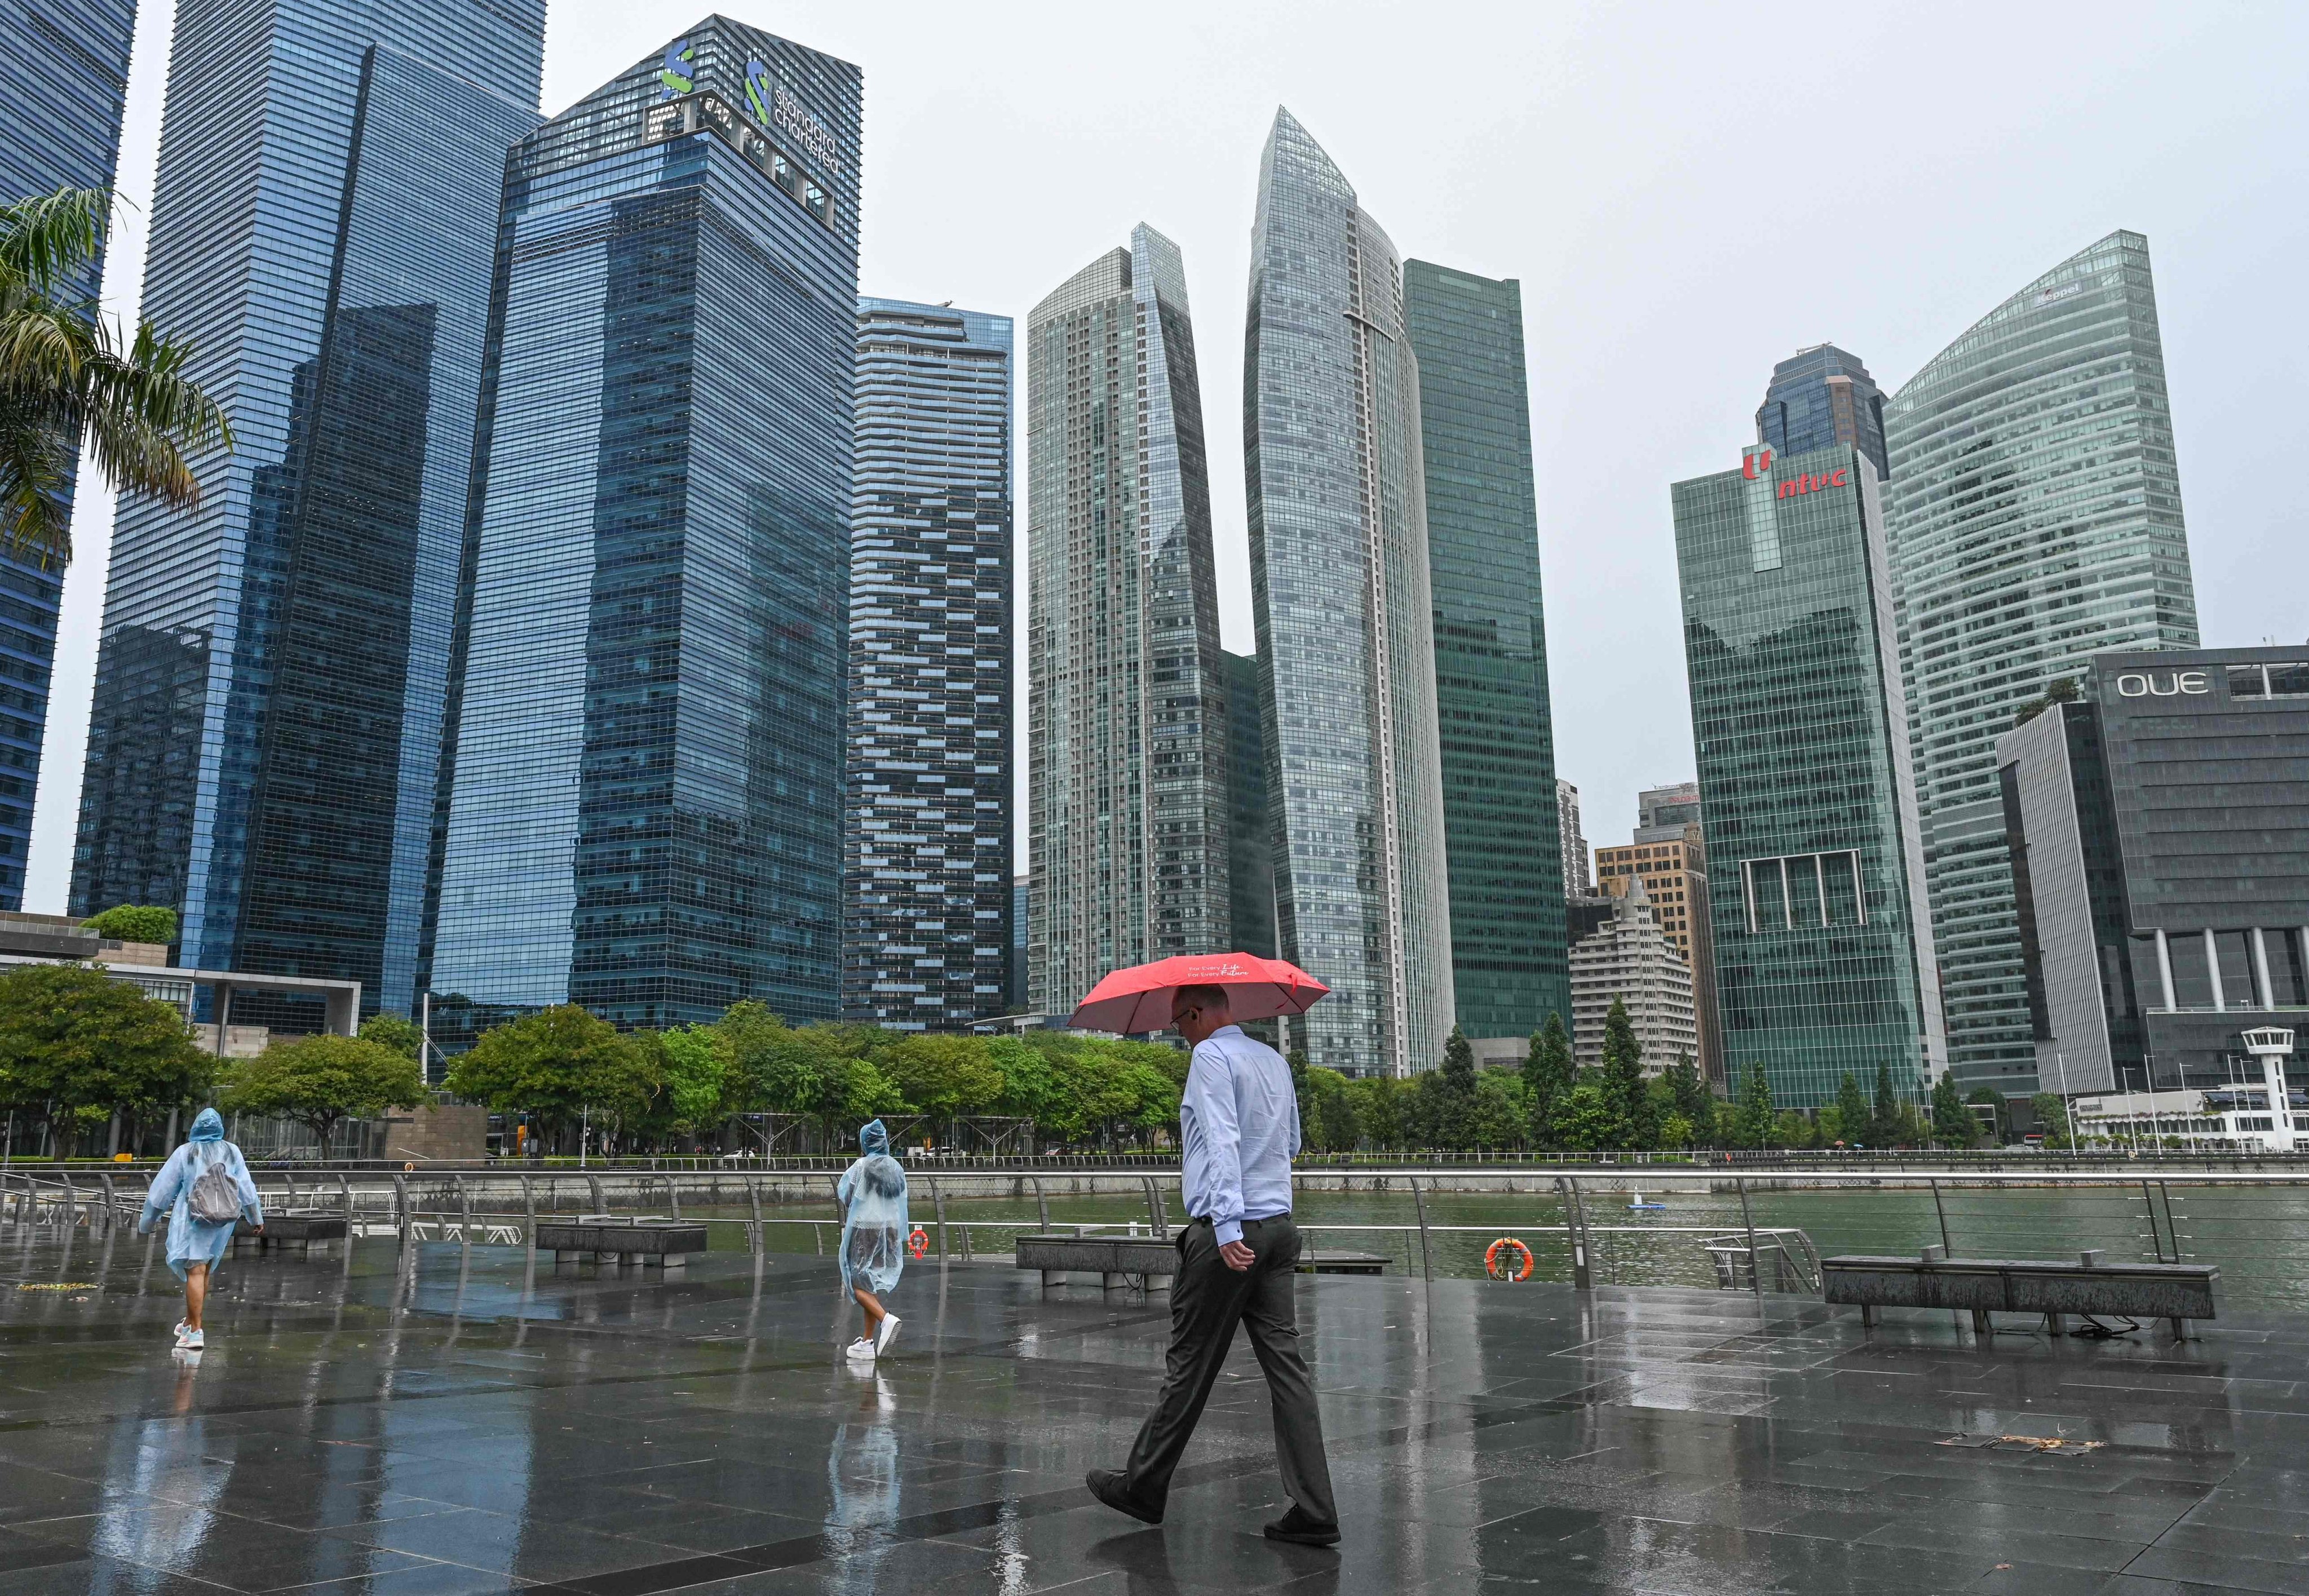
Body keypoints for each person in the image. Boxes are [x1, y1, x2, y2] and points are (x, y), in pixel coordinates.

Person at [1086, 983, 1339, 1546]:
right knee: (1287, 1370)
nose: (1180, 1032)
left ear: (1198, 1013)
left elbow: (1222, 1139)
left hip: (1232, 1232)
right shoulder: (1272, 1059)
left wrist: (1225, 1225)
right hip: (1279, 1227)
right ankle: (1315, 1508)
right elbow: (1290, 1141)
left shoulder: (1210, 1056)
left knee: (1190, 1364)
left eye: (1179, 1022)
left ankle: (1143, 1487)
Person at [137, 1108, 263, 1351]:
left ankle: (196, 1331)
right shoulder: (231, 1151)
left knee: (195, 1271)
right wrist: (255, 1217)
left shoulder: (186, 1153)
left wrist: (148, 1223)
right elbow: (246, 1187)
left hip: (193, 1220)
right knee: (204, 1272)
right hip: (223, 1221)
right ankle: (188, 1323)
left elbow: (161, 1193)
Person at [837, 1119, 907, 1362]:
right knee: (871, 1283)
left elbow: (846, 1194)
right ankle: (867, 1342)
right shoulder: (896, 1168)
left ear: (866, 1142)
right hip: (890, 1229)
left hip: (864, 1229)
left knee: (856, 1282)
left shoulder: (861, 1166)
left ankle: (886, 1319)